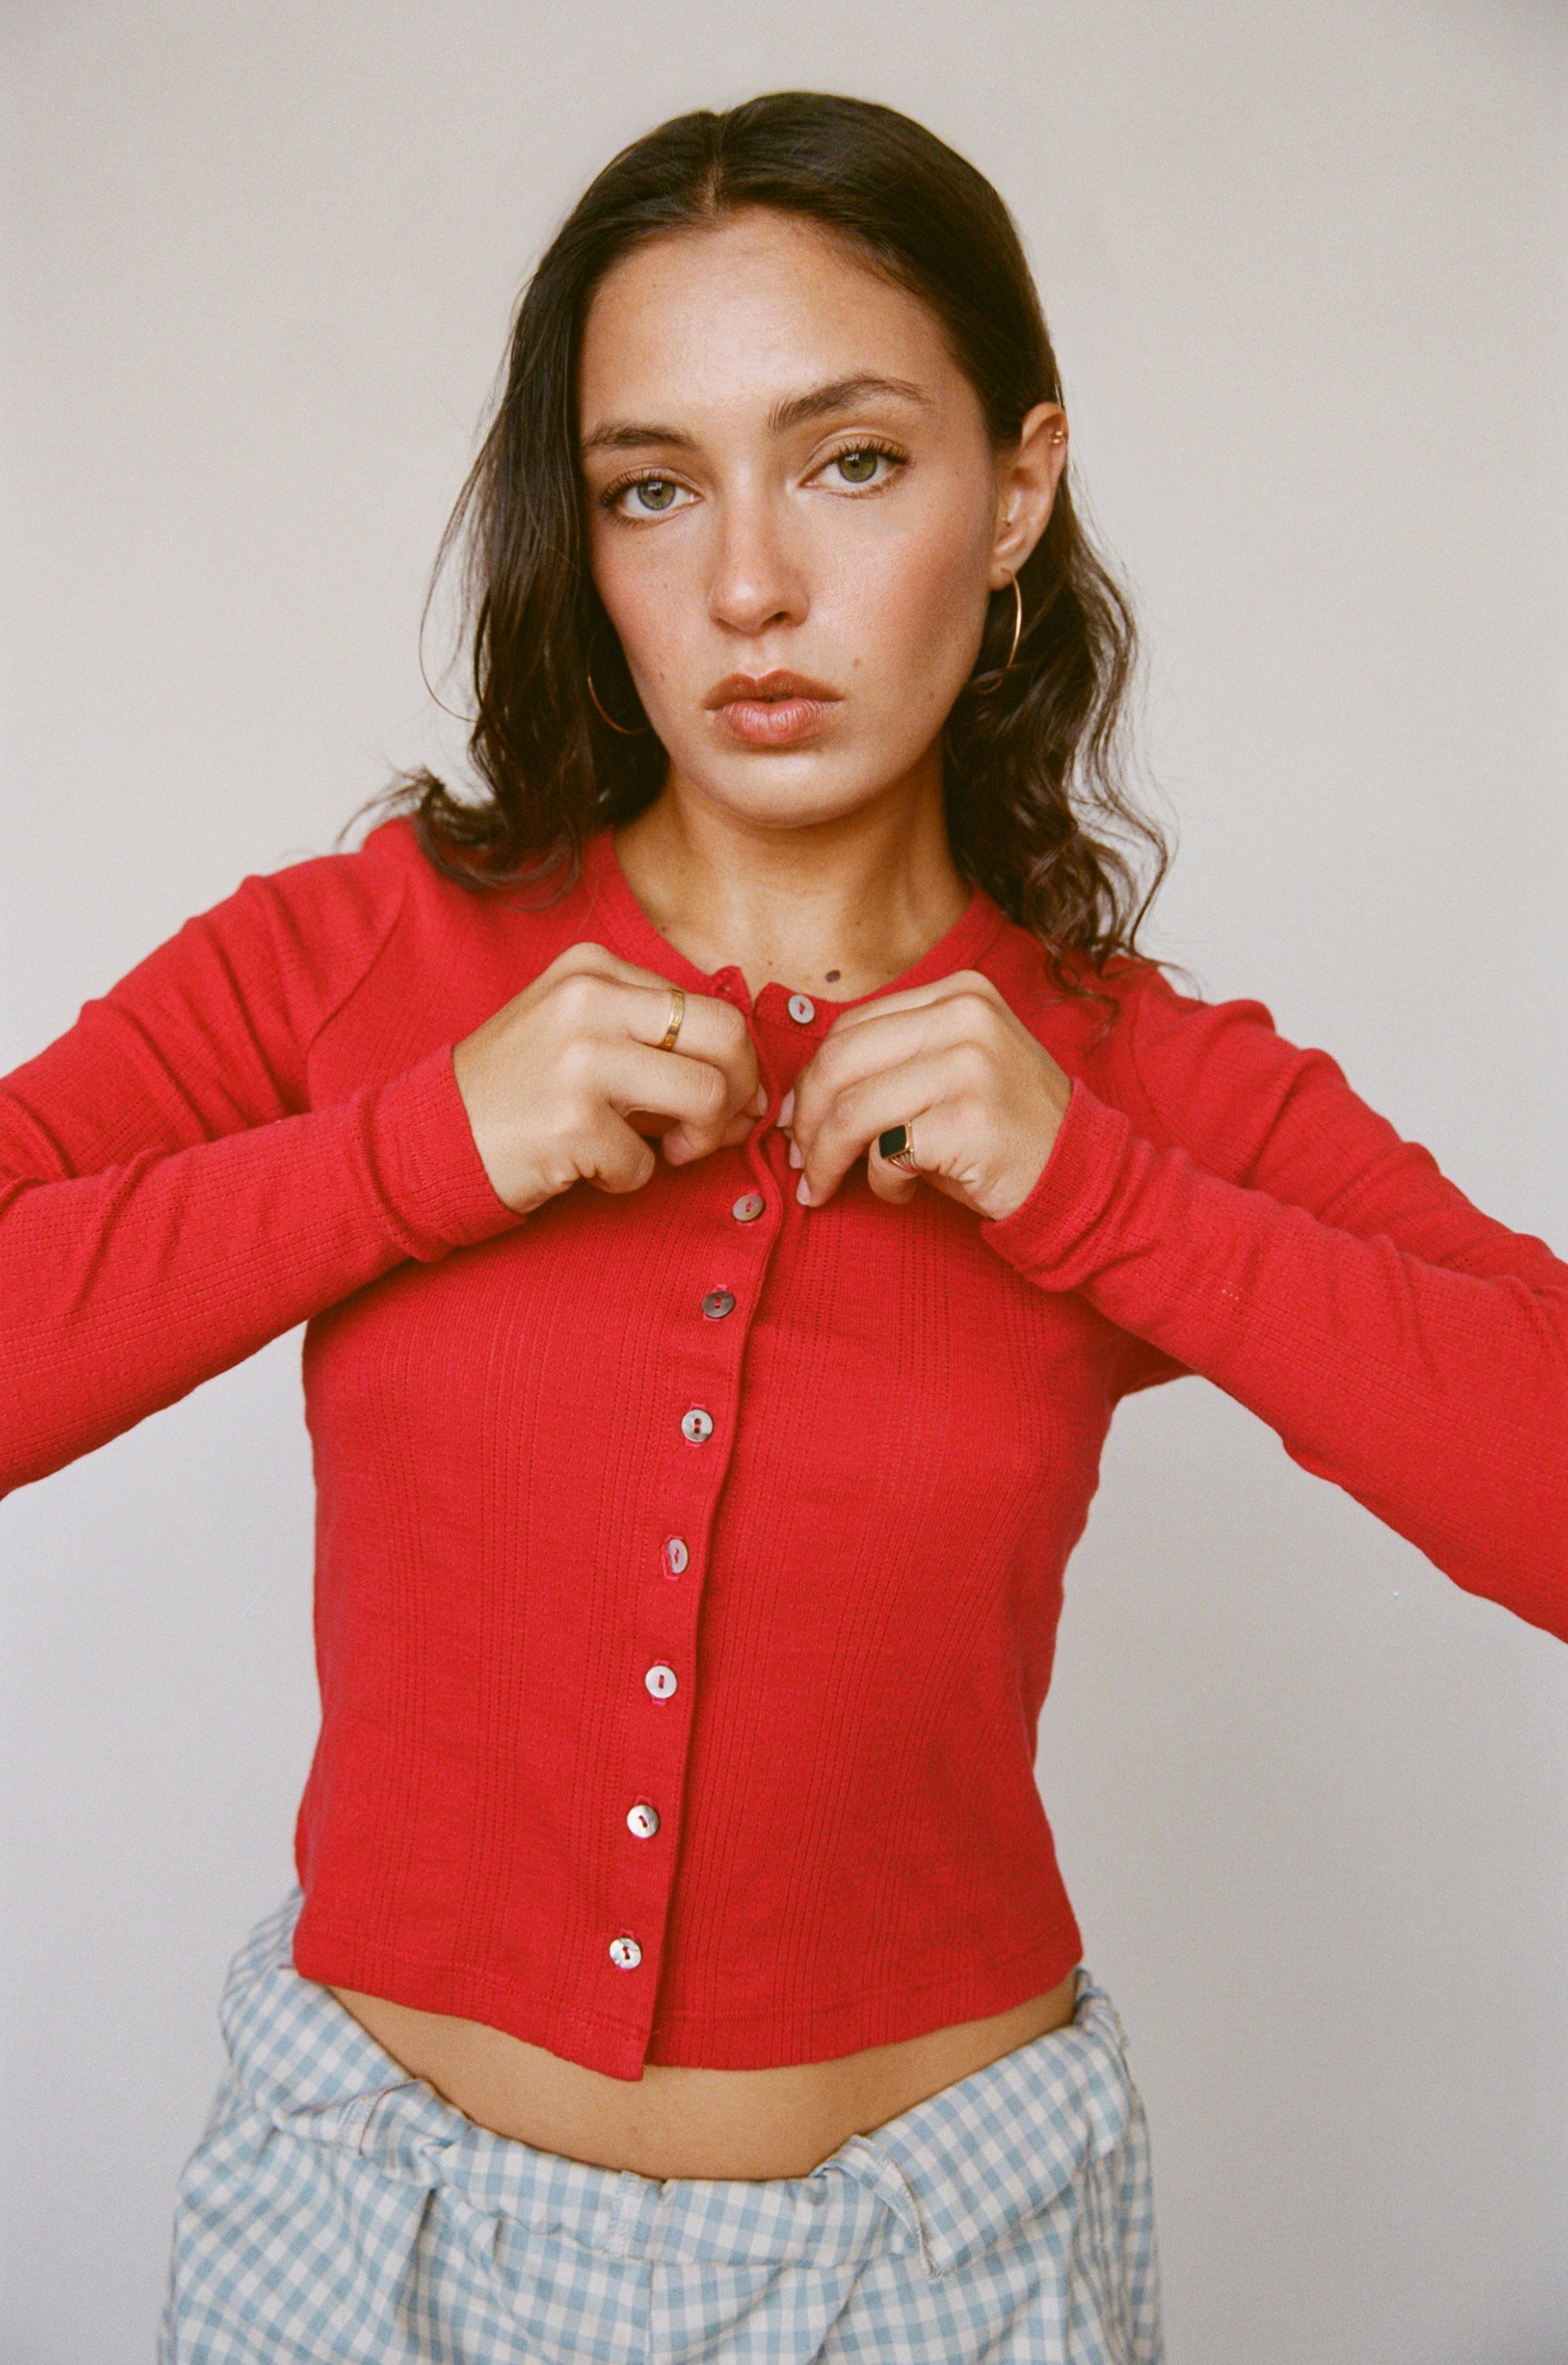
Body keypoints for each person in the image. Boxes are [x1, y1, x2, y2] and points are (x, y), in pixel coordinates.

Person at [3, 88, 1562, 2365]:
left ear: (1015, 488)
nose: (749, 585)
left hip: (948, 2269)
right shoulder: (357, 966)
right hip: (358, 2246)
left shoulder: (1121, 1079)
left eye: (850, 461)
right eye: (654, 487)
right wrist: (413, 1152)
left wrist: (1099, 1196)